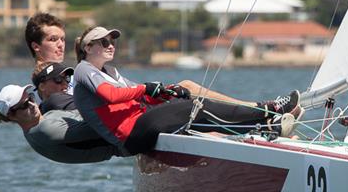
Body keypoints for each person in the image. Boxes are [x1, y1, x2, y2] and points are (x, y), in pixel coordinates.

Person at [72, 26, 301, 155]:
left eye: (112, 41)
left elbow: (139, 94)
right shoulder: (84, 70)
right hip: (131, 136)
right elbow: (110, 96)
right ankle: (268, 111)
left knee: (192, 105)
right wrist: (146, 87)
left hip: (141, 124)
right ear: (88, 47)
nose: (110, 45)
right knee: (194, 108)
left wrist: (167, 92)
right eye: (103, 42)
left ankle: (267, 127)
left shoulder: (110, 71)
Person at [0, 84, 118, 164]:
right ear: (12, 115)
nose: (32, 104)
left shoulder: (44, 119)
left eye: (30, 98)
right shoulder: (44, 130)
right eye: (24, 105)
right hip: (124, 140)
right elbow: (102, 125)